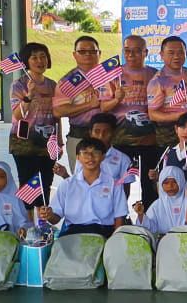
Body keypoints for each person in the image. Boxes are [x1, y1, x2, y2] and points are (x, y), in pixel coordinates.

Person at [53, 36, 122, 169]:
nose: (87, 55)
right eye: (82, 51)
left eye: (92, 51)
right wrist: (89, 105)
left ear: (99, 53)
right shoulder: (68, 82)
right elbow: (58, 111)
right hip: (80, 136)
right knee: (81, 178)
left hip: (109, 136)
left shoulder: (111, 76)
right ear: (74, 55)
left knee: (111, 175)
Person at [37, 138, 128, 238]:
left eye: (95, 152)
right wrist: (49, 215)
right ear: (77, 157)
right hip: (73, 233)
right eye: (85, 153)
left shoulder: (114, 184)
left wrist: (114, 239)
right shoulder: (67, 184)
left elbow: (120, 216)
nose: (90, 157)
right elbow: (55, 219)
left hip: (104, 232)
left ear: (103, 156)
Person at [9, 42, 62, 207]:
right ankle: (28, 219)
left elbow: (57, 115)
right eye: (34, 57)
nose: (40, 61)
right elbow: (17, 115)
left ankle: (43, 219)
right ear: (26, 61)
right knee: (28, 184)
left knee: (46, 181)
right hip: (24, 141)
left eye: (43, 56)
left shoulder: (53, 85)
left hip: (48, 141)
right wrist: (29, 95)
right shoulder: (19, 85)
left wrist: (59, 140)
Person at [113, 35, 160, 206]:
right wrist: (116, 99)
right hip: (121, 139)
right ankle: (120, 216)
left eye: (137, 51)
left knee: (149, 181)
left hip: (149, 140)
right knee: (121, 182)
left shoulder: (155, 75)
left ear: (145, 52)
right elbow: (103, 106)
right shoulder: (114, 75)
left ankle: (149, 216)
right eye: (127, 50)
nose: (131, 55)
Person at [146, 36, 187, 150]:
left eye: (181, 52)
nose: (176, 56)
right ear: (162, 55)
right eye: (171, 53)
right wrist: (178, 116)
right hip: (170, 137)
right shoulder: (158, 81)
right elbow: (152, 114)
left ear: (186, 53)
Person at [70, 114, 135, 190]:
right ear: (90, 133)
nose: (101, 136)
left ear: (114, 133)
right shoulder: (83, 156)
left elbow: (125, 190)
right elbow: (77, 184)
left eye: (106, 132)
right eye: (97, 132)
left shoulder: (123, 159)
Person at [133, 166, 187, 236]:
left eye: (174, 182)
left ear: (181, 182)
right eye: (166, 182)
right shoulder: (157, 205)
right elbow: (149, 229)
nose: (170, 185)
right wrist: (141, 215)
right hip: (163, 241)